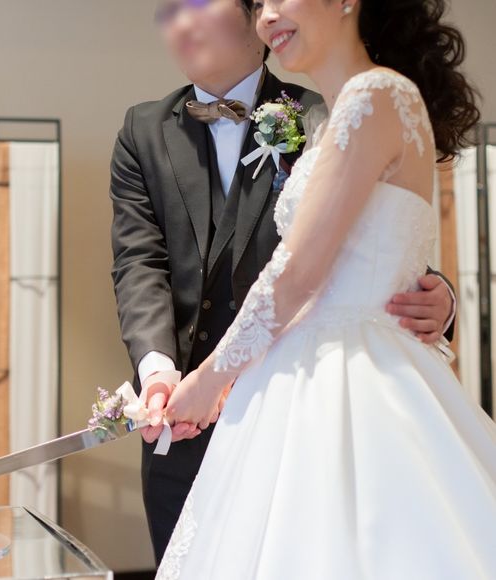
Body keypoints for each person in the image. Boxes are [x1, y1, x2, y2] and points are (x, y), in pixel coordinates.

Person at [156, 0, 496, 578]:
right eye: (259, 4)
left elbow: (298, 271)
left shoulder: (376, 95)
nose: (266, 16)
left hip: (352, 377)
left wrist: (211, 379)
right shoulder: (332, 117)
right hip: (301, 365)